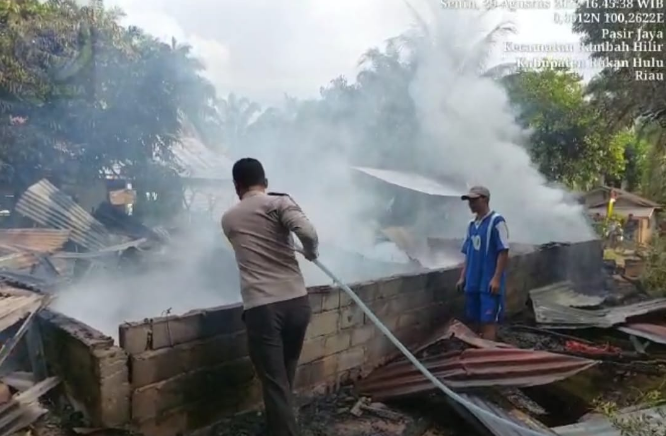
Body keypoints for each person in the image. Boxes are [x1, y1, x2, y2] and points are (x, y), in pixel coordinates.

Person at [221, 158, 319, 436]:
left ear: (237, 186)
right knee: (285, 375)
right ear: (265, 182)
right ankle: (279, 425)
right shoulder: (279, 203)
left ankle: (284, 431)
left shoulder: (229, 219)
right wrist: (310, 252)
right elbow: (307, 232)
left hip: (263, 308)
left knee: (275, 382)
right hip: (297, 303)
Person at [456, 186, 509, 341]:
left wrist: (496, 278)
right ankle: (475, 352)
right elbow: (468, 253)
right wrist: (462, 276)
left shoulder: (496, 222)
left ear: (485, 199)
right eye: (469, 201)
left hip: (488, 282)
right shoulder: (471, 226)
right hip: (473, 281)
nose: (471, 204)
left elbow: (503, 251)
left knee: (488, 321)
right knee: (472, 319)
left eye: (474, 200)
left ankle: (488, 355)